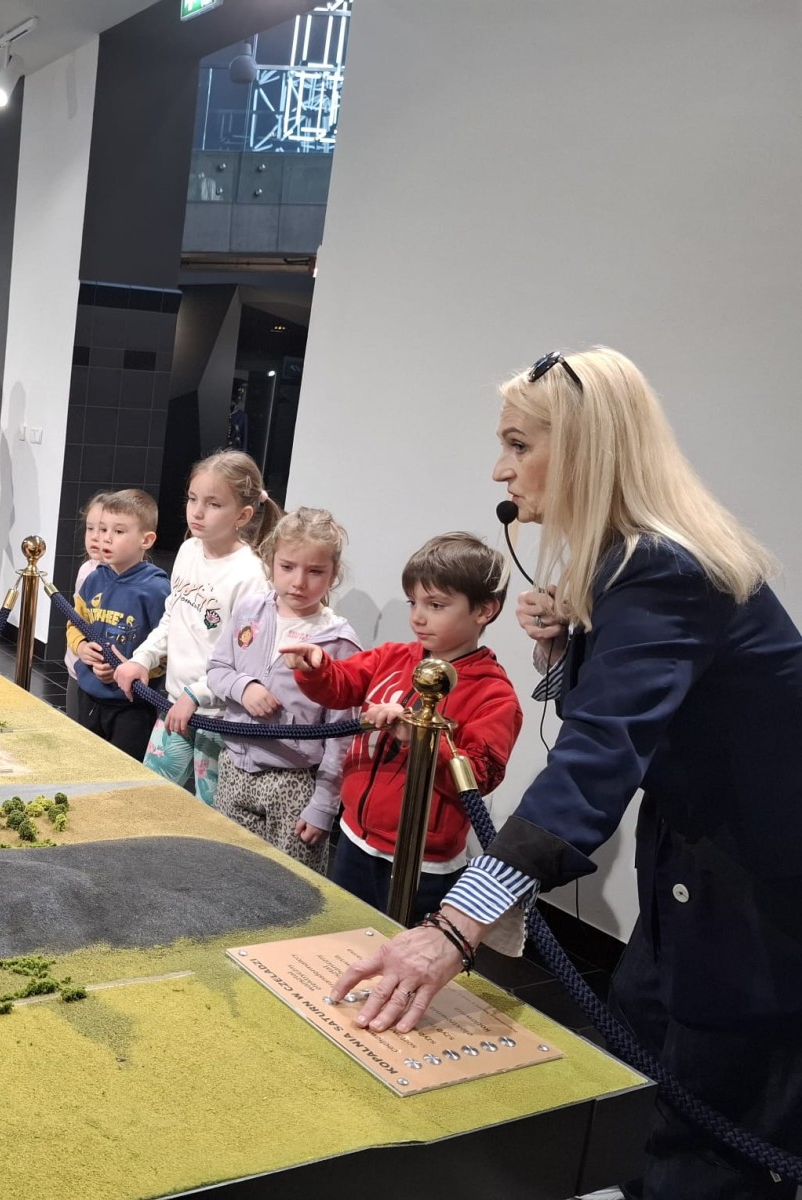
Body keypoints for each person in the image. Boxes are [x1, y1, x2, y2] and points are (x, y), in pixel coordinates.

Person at [330, 347, 802, 1200]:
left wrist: (455, 927)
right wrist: (563, 648)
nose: (501, 470)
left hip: (755, 886)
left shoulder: (661, 565)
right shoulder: (631, 561)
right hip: (695, 858)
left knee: (708, 1118)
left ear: (585, 449)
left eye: (519, 445)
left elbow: (599, 755)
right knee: (649, 1055)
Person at [280, 533, 521, 902]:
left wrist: (420, 736)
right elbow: (341, 685)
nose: (418, 617)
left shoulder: (493, 694)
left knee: (401, 936)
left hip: (423, 861)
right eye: (413, 602)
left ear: (484, 611)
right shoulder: (392, 657)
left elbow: (481, 776)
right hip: (355, 835)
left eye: (436, 605)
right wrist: (315, 667)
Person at [114, 452, 276, 807]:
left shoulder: (251, 576)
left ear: (243, 515)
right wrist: (142, 658)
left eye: (214, 504)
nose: (198, 512)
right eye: (192, 499)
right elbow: (173, 617)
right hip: (173, 703)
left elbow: (246, 661)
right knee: (151, 802)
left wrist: (197, 694)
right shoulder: (188, 550)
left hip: (219, 718)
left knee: (208, 813)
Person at [204, 507, 361, 866]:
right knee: (228, 869)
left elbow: (342, 734)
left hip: (293, 781)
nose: (299, 582)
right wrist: (243, 687)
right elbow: (217, 668)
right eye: (287, 567)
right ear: (271, 561)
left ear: (334, 573)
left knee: (291, 878)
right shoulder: (250, 610)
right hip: (234, 767)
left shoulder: (338, 641)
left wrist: (324, 805)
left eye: (315, 571)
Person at [66, 488, 169, 760]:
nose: (106, 538)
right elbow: (74, 623)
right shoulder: (94, 579)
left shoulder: (156, 590)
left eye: (119, 531)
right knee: (86, 763)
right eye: (103, 529)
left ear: (146, 540)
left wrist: (131, 670)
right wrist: (81, 648)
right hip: (89, 694)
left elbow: (166, 648)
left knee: (123, 768)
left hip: (132, 704)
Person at [62, 493, 107, 723]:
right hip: (77, 667)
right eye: (90, 529)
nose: (95, 537)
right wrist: (80, 647)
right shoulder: (86, 569)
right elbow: (76, 619)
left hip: (106, 673)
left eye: (104, 529)